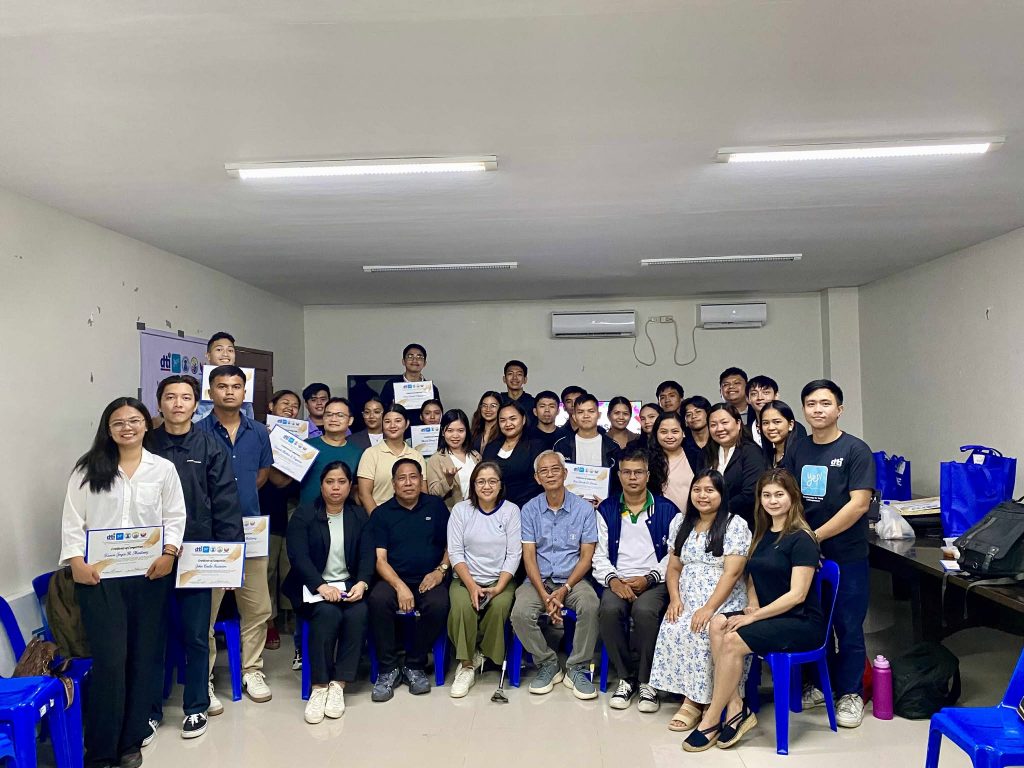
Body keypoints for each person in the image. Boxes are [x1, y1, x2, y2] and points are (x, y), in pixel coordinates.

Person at [60, 397, 187, 768]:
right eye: (118, 422)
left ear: (148, 425)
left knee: (143, 658)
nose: (127, 427)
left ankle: (131, 740)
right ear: (108, 428)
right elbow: (72, 520)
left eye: (134, 420)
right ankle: (100, 749)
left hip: (150, 577)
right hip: (100, 580)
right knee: (111, 661)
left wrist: (169, 553)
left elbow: (175, 515)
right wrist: (76, 562)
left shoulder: (162, 469)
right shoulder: (88, 469)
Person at [687, 468, 824, 751]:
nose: (772, 501)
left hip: (800, 622)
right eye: (766, 495)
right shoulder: (763, 534)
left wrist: (754, 616)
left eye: (779, 495)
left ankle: (712, 717)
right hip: (770, 615)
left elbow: (797, 595)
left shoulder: (802, 538)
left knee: (733, 640)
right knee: (717, 624)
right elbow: (751, 575)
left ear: (792, 497)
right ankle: (737, 707)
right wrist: (753, 603)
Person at [150, 376, 242, 739]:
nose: (177, 403)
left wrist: (227, 559)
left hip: (196, 553)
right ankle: (151, 709)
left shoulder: (210, 445)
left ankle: (195, 706)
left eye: (185, 397)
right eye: (170, 397)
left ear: (195, 403)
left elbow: (226, 502)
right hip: (151, 554)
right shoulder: (145, 443)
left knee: (195, 632)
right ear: (159, 404)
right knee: (153, 633)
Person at [783, 379, 875, 728]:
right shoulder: (798, 449)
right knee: (811, 621)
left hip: (846, 553)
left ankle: (850, 693)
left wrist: (814, 537)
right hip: (808, 556)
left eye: (825, 403)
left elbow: (859, 505)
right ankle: (818, 685)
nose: (817, 409)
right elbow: (790, 497)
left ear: (839, 409)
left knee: (848, 625)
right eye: (810, 403)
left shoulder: (855, 450)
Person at [195, 365, 275, 704]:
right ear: (210, 391)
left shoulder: (258, 432)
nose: (230, 392)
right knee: (205, 612)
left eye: (236, 386)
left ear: (245, 392)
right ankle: (206, 679)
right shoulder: (196, 432)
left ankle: (252, 670)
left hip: (250, 530)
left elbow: (263, 472)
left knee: (257, 607)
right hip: (209, 536)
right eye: (222, 386)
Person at [648, 470, 751, 734]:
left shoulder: (734, 524)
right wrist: (674, 599)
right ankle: (694, 697)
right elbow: (673, 567)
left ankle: (703, 702)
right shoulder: (681, 522)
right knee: (674, 626)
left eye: (710, 490)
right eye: (697, 490)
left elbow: (733, 572)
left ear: (721, 494)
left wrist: (708, 608)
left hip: (722, 599)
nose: (702, 496)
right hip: (686, 597)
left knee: (702, 630)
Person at [283, 462, 373, 724]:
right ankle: (319, 686)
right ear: (321, 485)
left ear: (350, 486)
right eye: (330, 482)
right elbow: (298, 557)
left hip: (348, 585)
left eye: (342, 482)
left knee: (358, 613)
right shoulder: (304, 515)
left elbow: (367, 556)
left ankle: (339, 685)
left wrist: (363, 583)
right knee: (327, 614)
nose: (336, 487)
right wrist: (321, 586)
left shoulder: (358, 516)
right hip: (313, 588)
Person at [594, 451, 680, 712]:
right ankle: (626, 677)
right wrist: (613, 581)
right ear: (619, 476)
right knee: (609, 610)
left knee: (645, 612)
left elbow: (674, 555)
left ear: (647, 475)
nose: (633, 477)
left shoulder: (668, 510)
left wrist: (649, 577)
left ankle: (647, 681)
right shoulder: (607, 509)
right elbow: (597, 554)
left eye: (638, 472)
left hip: (654, 580)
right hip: (617, 579)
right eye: (627, 472)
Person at [510, 451, 600, 700]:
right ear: (537, 478)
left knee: (590, 605)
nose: (550, 475)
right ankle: (548, 662)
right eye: (544, 471)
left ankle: (577, 667)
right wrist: (543, 594)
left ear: (565, 473)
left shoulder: (583, 509)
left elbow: (586, 557)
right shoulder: (529, 510)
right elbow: (529, 556)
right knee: (519, 613)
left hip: (573, 579)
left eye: (555, 469)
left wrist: (564, 589)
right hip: (539, 580)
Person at [367, 459, 451, 701]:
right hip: (393, 578)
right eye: (401, 478)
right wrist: (400, 586)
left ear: (420, 480)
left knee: (439, 604)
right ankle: (389, 668)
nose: (408, 483)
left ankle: (414, 664)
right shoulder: (381, 514)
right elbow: (380, 560)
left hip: (430, 577)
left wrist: (440, 570)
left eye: (413, 477)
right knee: (378, 600)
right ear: (393, 484)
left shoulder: (436, 507)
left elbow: (451, 546)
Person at [446, 462, 522, 698]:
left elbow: (514, 553)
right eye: (481, 481)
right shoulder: (460, 510)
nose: (486, 486)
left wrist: (499, 587)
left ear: (500, 485)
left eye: (492, 481)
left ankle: (483, 653)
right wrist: (471, 585)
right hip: (464, 579)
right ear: (473, 485)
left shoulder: (511, 511)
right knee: (463, 607)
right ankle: (467, 664)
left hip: (500, 580)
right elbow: (455, 552)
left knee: (499, 607)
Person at [260, 389, 302, 657]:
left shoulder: (303, 439)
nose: (290, 408)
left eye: (295, 406)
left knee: (290, 567)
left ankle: (290, 616)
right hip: (266, 510)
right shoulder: (259, 434)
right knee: (267, 571)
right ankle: (268, 621)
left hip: (294, 511)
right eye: (285, 403)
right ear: (271, 405)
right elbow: (275, 479)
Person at [704, 403, 766, 529]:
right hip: (710, 524)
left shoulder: (751, 452)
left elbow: (750, 494)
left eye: (724, 422)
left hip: (744, 525)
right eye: (713, 425)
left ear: (738, 424)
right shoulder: (706, 453)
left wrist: (717, 509)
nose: (719, 428)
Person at [356, 404, 426, 513]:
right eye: (387, 421)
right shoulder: (371, 454)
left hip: (412, 516)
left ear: (406, 424)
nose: (392, 425)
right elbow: (364, 494)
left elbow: (423, 492)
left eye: (398, 421)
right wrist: (378, 520)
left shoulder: (416, 456)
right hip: (380, 518)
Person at [553, 393, 621, 503]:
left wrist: (608, 503)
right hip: (570, 506)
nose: (586, 416)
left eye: (591, 411)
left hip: (604, 507)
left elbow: (618, 482)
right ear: (574, 416)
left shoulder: (612, 447)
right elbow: (555, 478)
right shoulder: (561, 445)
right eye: (580, 412)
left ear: (598, 415)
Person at [300, 397, 365, 509]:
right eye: (328, 415)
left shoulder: (358, 453)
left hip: (342, 514)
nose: (333, 419)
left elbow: (357, 489)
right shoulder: (307, 446)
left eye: (340, 415)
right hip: (307, 514)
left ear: (350, 420)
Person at [482, 400, 544, 508]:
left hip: (526, 508)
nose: (508, 424)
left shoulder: (536, 446)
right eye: (502, 420)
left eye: (513, 419)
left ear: (523, 419)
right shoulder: (491, 447)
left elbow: (536, 483)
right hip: (493, 507)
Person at [193, 332, 254, 422]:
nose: (225, 354)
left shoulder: (243, 385)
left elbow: (250, 419)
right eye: (219, 349)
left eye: (230, 350)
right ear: (208, 356)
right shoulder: (195, 386)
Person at [426, 409, 480, 510]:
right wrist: (447, 480)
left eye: (460, 430)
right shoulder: (436, 459)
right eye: (450, 430)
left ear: (466, 432)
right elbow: (433, 494)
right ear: (443, 432)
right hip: (451, 515)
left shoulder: (475, 456)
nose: (455, 436)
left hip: (477, 511)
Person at [379, 343, 441, 427]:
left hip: (423, 435)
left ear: (425, 363)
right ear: (403, 361)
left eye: (419, 357)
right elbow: (381, 411)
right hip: (397, 434)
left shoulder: (432, 389)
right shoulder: (391, 385)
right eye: (410, 356)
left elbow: (438, 415)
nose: (415, 360)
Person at [647, 411, 695, 512]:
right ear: (656, 434)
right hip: (661, 518)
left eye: (675, 431)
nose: (669, 436)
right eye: (664, 432)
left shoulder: (696, 456)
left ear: (683, 432)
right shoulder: (648, 461)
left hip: (692, 519)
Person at [759, 399, 806, 468]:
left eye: (777, 422)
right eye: (765, 423)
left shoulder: (800, 454)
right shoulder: (766, 456)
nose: (771, 428)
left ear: (790, 425)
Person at [745, 375, 778, 446]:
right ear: (747, 399)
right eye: (754, 394)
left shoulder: (793, 427)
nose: (760, 397)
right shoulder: (743, 432)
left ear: (776, 396)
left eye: (766, 392)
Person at [682, 396, 712, 469]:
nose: (694, 416)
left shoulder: (719, 440)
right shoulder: (682, 445)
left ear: (708, 415)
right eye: (689, 414)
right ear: (685, 421)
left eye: (698, 412)